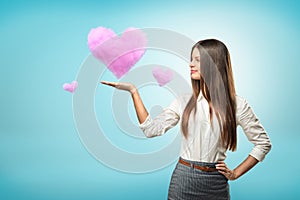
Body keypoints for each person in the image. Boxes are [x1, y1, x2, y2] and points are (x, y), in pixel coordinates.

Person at [101, 39, 272, 200]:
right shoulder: (183, 102)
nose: (190, 64)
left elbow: (263, 143)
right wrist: (133, 92)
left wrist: (235, 173)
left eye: (197, 60)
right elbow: (150, 130)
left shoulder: (237, 105)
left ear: (214, 64)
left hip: (216, 183)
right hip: (183, 179)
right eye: (191, 59)